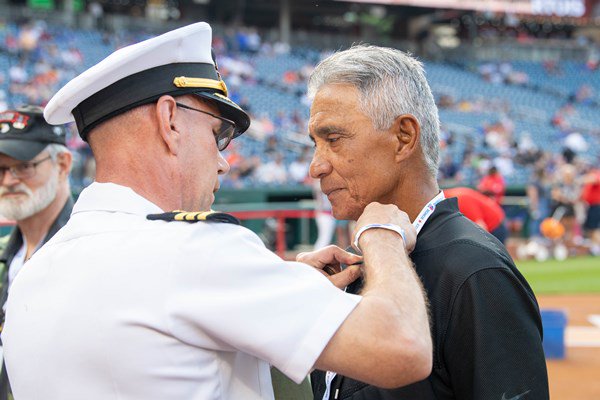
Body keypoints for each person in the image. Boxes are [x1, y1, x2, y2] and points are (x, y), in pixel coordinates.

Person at [1, 23, 432, 400]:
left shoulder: (35, 274)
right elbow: (402, 347)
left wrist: (285, 285)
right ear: (169, 120)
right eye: (216, 134)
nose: (223, 160)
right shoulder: (192, 251)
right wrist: (381, 235)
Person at [307, 45, 548, 400]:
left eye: (333, 139)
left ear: (404, 137)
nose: (316, 166)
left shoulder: (474, 272)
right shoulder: (356, 259)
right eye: (316, 143)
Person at [0, 105, 73, 400]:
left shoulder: (91, 246)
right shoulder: (7, 252)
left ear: (63, 164)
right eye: (0, 169)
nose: (8, 181)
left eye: (24, 165)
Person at [444, 187, 508, 244]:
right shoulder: (454, 196)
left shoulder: (460, 199)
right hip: (492, 223)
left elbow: (481, 228)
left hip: (495, 227)